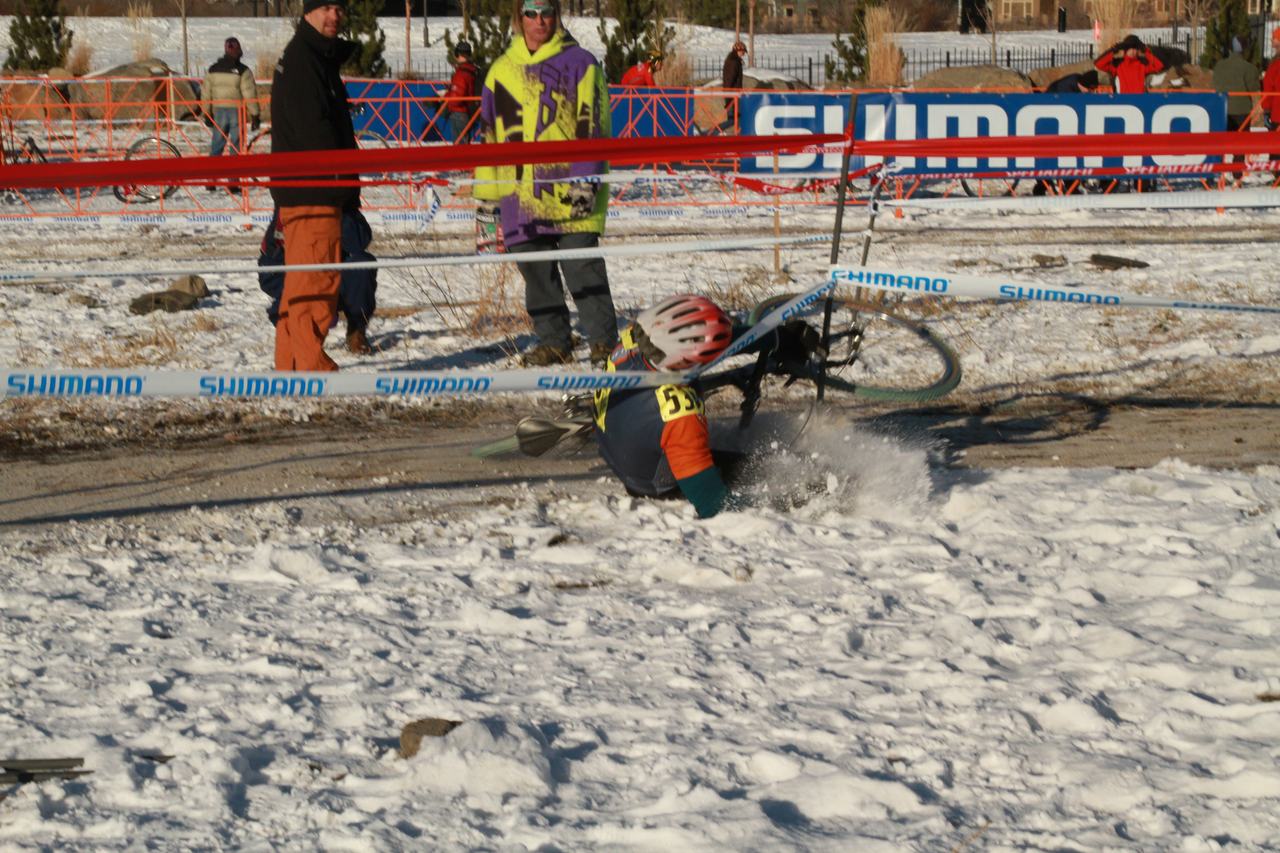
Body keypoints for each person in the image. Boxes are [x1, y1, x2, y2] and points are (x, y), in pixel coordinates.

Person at [474, 0, 618, 366]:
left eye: (547, 12)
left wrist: (586, 179)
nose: (540, 21)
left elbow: (594, 125)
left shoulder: (581, 63)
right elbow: (489, 138)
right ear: (518, 17)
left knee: (582, 268)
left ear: (557, 16)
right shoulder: (500, 71)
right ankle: (555, 340)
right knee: (535, 272)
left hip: (571, 190)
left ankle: (603, 341)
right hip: (519, 195)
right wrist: (488, 200)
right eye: (531, 13)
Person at [592, 294, 820, 519]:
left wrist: (775, 338)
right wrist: (780, 505)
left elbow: (706, 344)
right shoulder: (679, 415)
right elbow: (713, 504)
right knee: (779, 470)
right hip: (652, 482)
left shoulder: (633, 339)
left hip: (617, 444)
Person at [269, 0, 360, 372]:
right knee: (317, 281)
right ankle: (308, 366)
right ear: (307, 12)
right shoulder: (306, 61)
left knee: (302, 281)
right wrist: (342, 181)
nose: (333, 16)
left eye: (338, 8)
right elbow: (315, 133)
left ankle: (290, 365)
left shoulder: (308, 57)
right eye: (324, 7)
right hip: (314, 189)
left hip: (307, 189)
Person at [258, 207, 377, 355]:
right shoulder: (288, 203)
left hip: (336, 272)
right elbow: (269, 274)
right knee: (295, 302)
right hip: (298, 276)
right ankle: (298, 339)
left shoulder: (340, 198)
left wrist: (339, 210)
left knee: (363, 264)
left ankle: (356, 330)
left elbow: (359, 242)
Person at [201, 36, 260, 188]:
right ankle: (233, 183)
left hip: (219, 110)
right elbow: (249, 93)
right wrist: (255, 115)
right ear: (239, 51)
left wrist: (206, 113)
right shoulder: (243, 70)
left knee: (217, 146)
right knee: (236, 147)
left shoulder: (213, 69)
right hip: (237, 111)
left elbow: (206, 93)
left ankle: (211, 181)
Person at [1213, 35, 1261, 132]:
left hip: (1221, 108)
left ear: (1230, 49)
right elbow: (1254, 89)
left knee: (1224, 140)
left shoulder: (1219, 66)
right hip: (1242, 110)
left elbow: (1214, 85)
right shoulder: (1249, 68)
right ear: (1245, 50)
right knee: (1241, 142)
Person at [1093, 34, 1163, 94]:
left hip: (1141, 99)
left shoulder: (1143, 64)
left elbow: (1159, 66)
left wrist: (1145, 51)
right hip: (1125, 101)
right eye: (1130, 48)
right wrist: (1113, 50)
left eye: (1135, 48)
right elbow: (1098, 64)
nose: (1132, 51)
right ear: (1125, 50)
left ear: (1138, 50)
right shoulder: (1118, 64)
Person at [445, 40, 479, 144]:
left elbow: (456, 98)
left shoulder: (461, 74)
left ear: (457, 54)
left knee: (460, 146)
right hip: (468, 111)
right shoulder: (472, 70)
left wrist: (445, 97)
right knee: (463, 143)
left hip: (459, 113)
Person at [721, 40, 746, 130]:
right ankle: (733, 136)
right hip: (732, 95)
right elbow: (730, 79)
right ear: (737, 51)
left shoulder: (734, 60)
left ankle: (734, 133)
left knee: (734, 118)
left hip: (732, 94)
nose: (743, 54)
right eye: (742, 51)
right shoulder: (734, 62)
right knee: (733, 119)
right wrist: (729, 96)